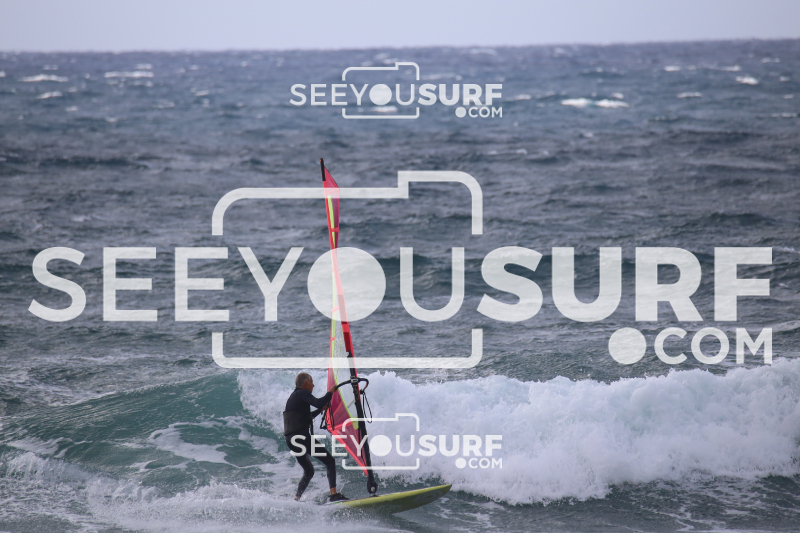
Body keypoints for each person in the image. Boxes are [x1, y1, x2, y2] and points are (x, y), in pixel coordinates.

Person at [283, 372, 348, 502]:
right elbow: (319, 402)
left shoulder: (294, 397)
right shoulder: (302, 393)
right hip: (301, 437)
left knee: (309, 471)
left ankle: (296, 498)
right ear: (306, 383)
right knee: (330, 461)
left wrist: (321, 410)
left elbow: (307, 416)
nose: (313, 385)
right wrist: (331, 392)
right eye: (311, 382)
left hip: (291, 440)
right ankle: (333, 494)